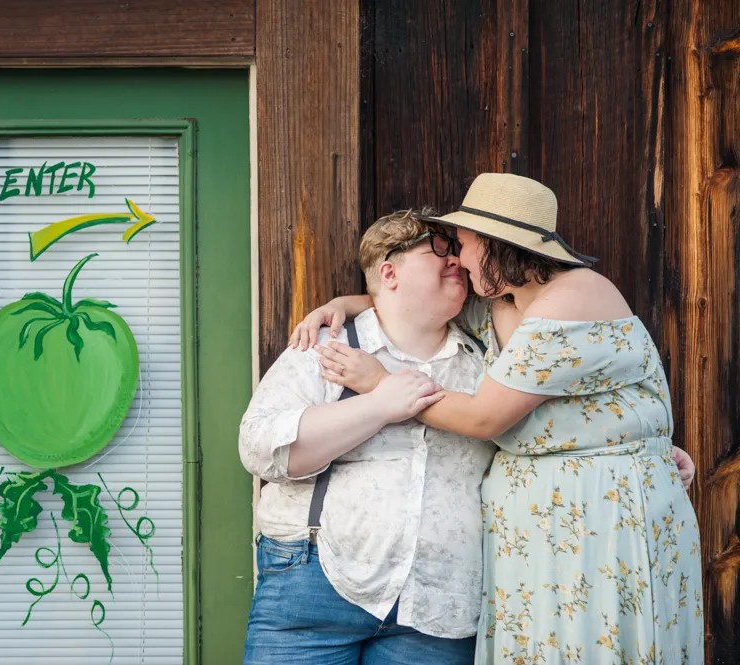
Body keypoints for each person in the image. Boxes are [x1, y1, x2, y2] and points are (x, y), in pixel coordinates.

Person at [290, 173, 703, 664]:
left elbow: (485, 418)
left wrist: (382, 383)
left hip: (598, 521)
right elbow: (414, 308)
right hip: (534, 534)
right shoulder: (502, 305)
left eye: (463, 245)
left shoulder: (574, 298)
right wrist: (343, 305)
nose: (458, 261)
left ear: (497, 245)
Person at [239, 209, 497, 664]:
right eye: (438, 249)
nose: (455, 259)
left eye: (457, 250)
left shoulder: (485, 356)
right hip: (315, 586)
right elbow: (260, 447)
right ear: (389, 271)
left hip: (438, 605)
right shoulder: (328, 346)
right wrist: (379, 404)